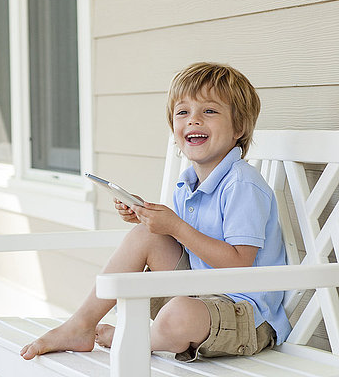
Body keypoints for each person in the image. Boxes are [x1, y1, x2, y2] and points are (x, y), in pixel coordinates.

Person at [20, 62, 292, 362]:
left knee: (177, 315)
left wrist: (175, 226)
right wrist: (149, 218)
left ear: (238, 128)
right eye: (183, 112)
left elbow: (239, 265)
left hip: (245, 313)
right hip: (203, 294)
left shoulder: (242, 184)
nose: (194, 121)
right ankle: (80, 325)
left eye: (209, 111)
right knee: (144, 237)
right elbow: (182, 241)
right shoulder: (187, 184)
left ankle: (135, 337)